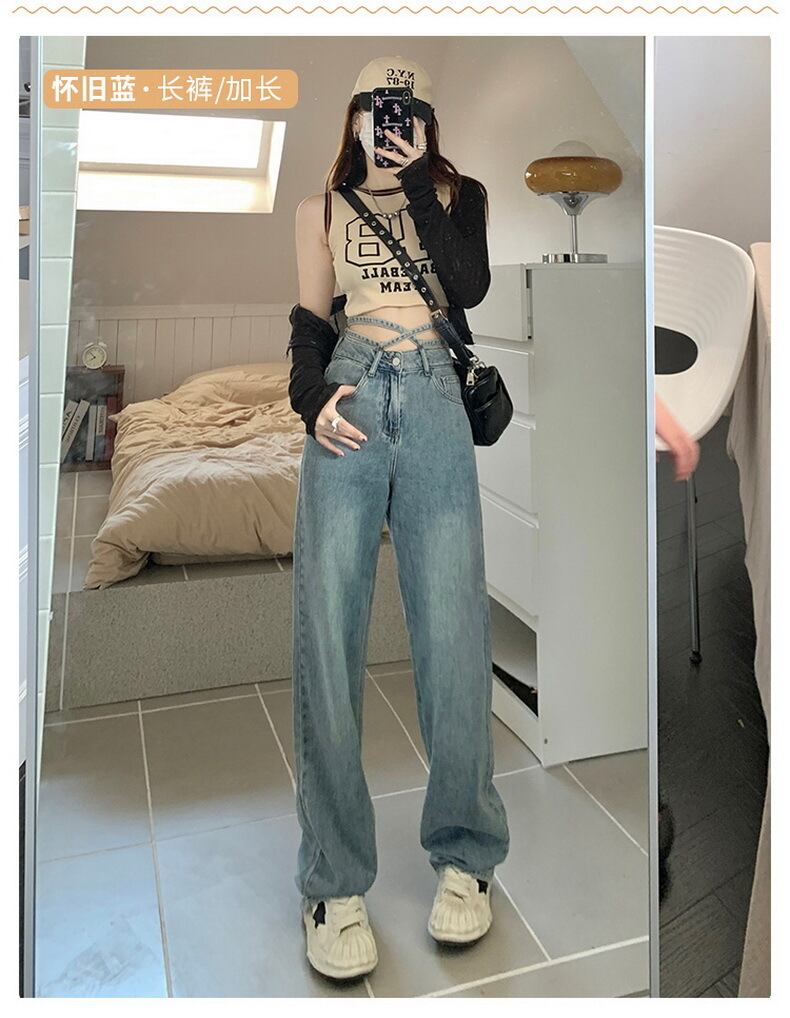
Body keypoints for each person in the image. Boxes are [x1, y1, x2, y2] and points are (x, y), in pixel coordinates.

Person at [286, 56, 509, 980]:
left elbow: (469, 285)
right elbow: (310, 323)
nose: (389, 122)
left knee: (453, 631)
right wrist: (310, 399)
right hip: (351, 394)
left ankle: (467, 855)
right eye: (376, 110)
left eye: (405, 109)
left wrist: (418, 178)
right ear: (353, 118)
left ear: (423, 118)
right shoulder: (319, 209)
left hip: (435, 398)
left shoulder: (458, 194)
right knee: (328, 636)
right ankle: (334, 880)